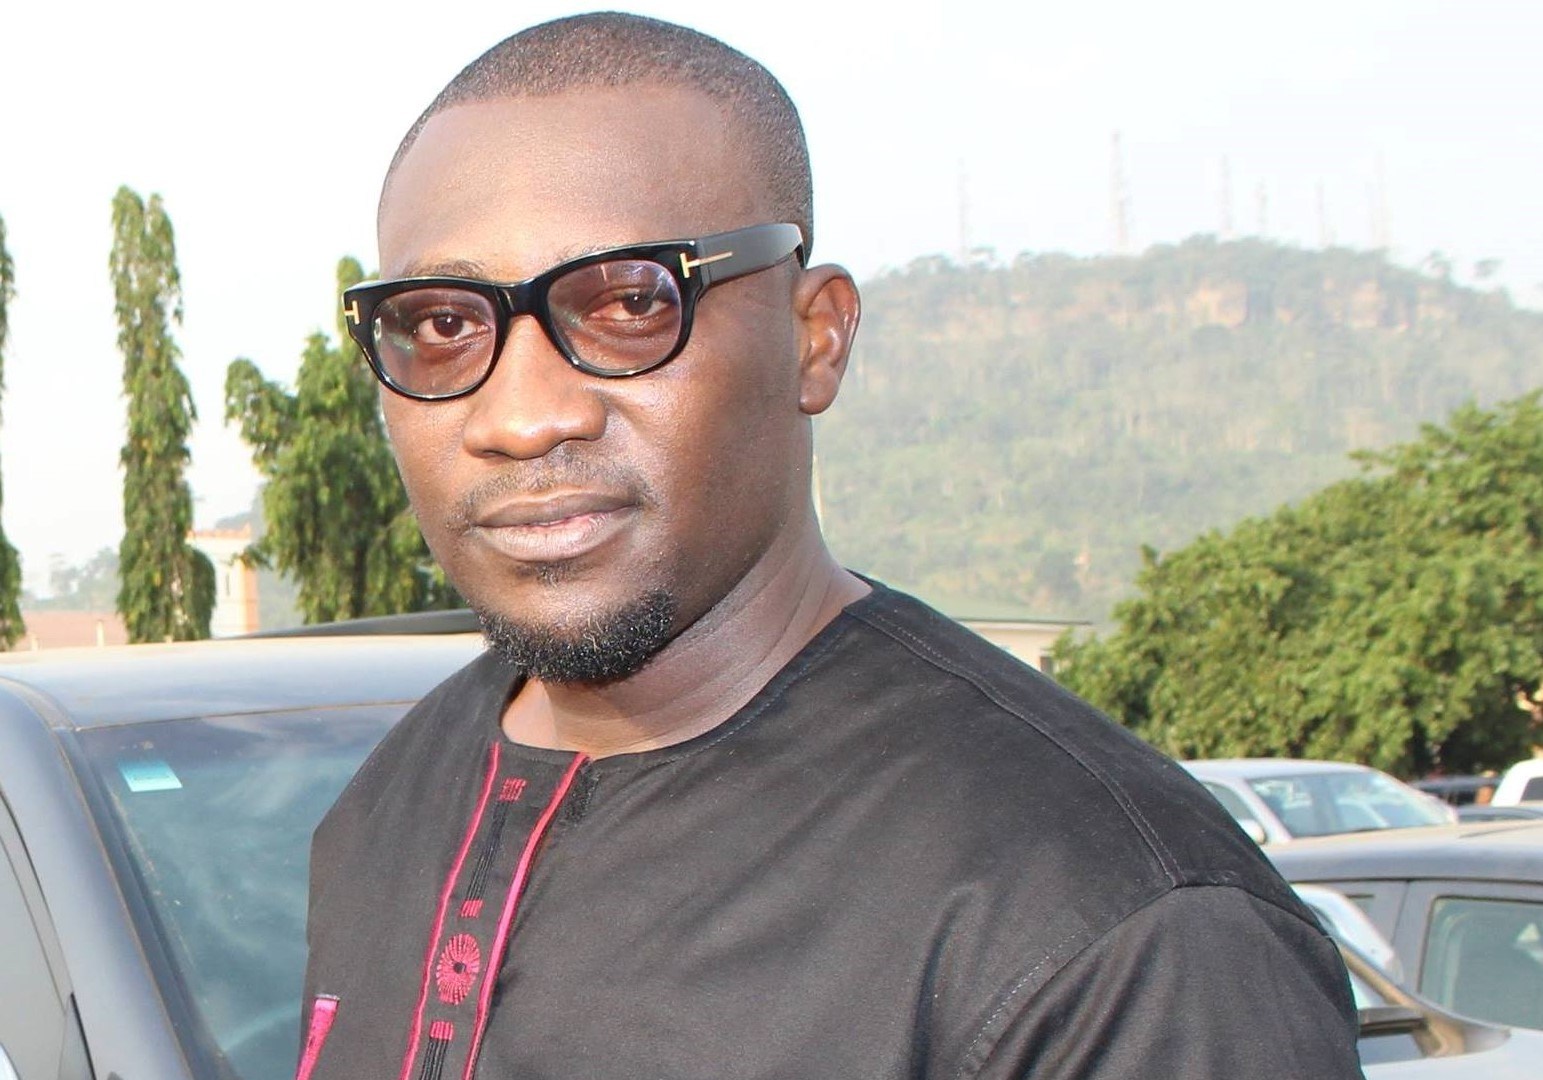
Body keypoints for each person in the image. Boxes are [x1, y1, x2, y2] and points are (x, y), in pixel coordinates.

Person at [300, 13, 1364, 1079]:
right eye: (442, 326)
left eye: (629, 303)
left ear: (815, 337)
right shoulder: (387, 806)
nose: (524, 416)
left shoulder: (1117, 936)